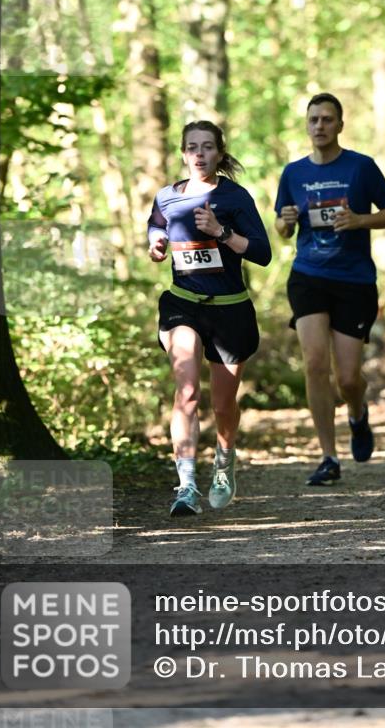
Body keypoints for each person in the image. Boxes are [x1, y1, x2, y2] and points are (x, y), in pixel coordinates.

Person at [274, 93, 385, 486]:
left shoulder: (360, 167)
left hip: (354, 280)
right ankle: (328, 456)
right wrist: (286, 220)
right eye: (313, 120)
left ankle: (358, 413)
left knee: (347, 379)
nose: (320, 126)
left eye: (327, 119)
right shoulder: (293, 173)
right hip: (308, 276)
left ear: (340, 125)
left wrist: (360, 220)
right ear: (307, 125)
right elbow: (281, 229)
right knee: (314, 363)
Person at [148, 121, 271, 518]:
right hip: (183, 304)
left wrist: (221, 232)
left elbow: (262, 253)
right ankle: (185, 486)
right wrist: (156, 242)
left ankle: (224, 458)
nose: (199, 154)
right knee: (186, 392)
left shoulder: (236, 197)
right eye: (192, 147)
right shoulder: (167, 197)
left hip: (230, 308)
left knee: (222, 404)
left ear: (219, 152)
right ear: (183, 153)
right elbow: (156, 226)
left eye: (207, 147)